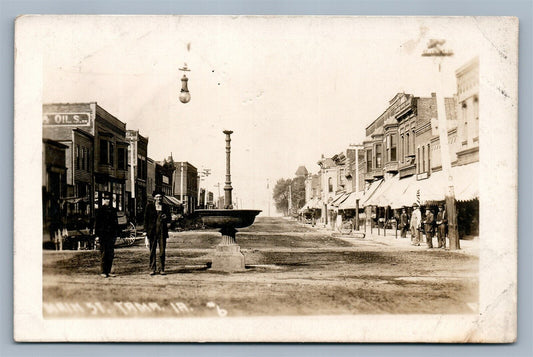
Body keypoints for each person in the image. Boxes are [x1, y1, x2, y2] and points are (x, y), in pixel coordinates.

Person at [144, 190, 171, 275]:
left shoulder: (166, 207)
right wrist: (145, 231)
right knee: (152, 251)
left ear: (162, 198)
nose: (159, 199)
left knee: (162, 251)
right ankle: (152, 269)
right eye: (157, 197)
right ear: (154, 198)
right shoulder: (149, 206)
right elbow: (146, 219)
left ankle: (161, 269)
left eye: (160, 197)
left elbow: (169, 220)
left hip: (162, 232)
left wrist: (166, 219)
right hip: (152, 232)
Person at [94, 192, 119, 278]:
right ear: (104, 200)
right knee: (104, 253)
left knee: (110, 254)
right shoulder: (100, 210)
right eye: (106, 199)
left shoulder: (113, 210)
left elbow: (116, 223)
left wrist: (116, 234)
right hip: (103, 235)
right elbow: (97, 224)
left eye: (109, 199)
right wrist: (97, 235)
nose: (107, 201)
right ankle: (103, 271)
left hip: (111, 235)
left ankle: (108, 271)